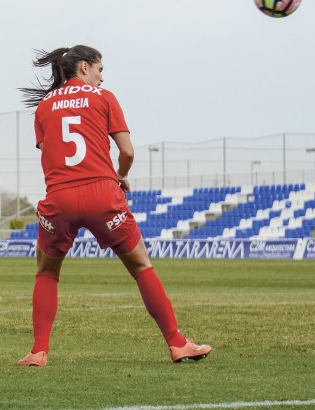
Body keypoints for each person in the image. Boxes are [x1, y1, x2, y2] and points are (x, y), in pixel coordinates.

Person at [16, 46, 211, 367]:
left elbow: (50, 149)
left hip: (59, 197)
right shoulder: (103, 97)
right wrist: (120, 176)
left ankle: (38, 352)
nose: (101, 77)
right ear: (83, 67)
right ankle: (177, 344)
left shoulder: (43, 107)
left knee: (47, 272)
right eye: (99, 69)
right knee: (140, 266)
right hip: (102, 193)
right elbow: (127, 152)